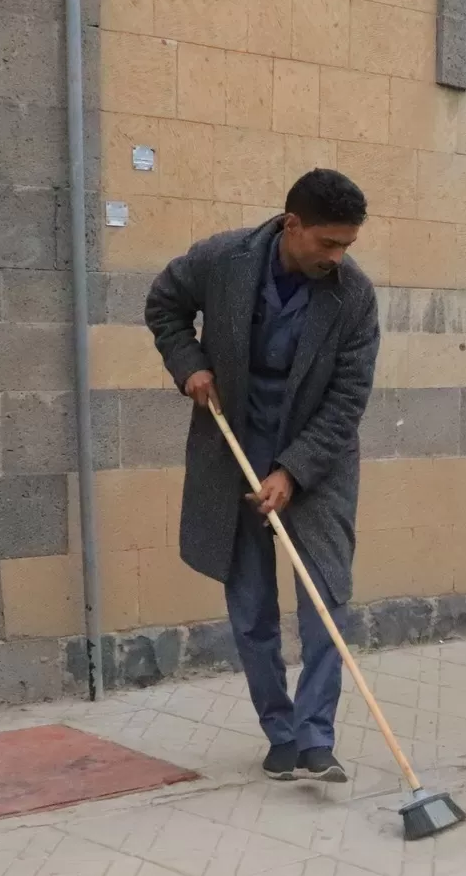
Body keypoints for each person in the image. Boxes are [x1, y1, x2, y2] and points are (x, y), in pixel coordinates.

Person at [145, 169, 378, 782]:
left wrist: (294, 472)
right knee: (250, 605)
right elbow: (164, 305)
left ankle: (315, 737)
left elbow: (349, 397)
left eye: (347, 246)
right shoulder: (222, 260)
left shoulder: (353, 296)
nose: (339, 257)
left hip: (317, 463)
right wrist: (188, 363)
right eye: (328, 243)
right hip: (235, 451)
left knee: (326, 599)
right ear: (291, 224)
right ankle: (278, 732)